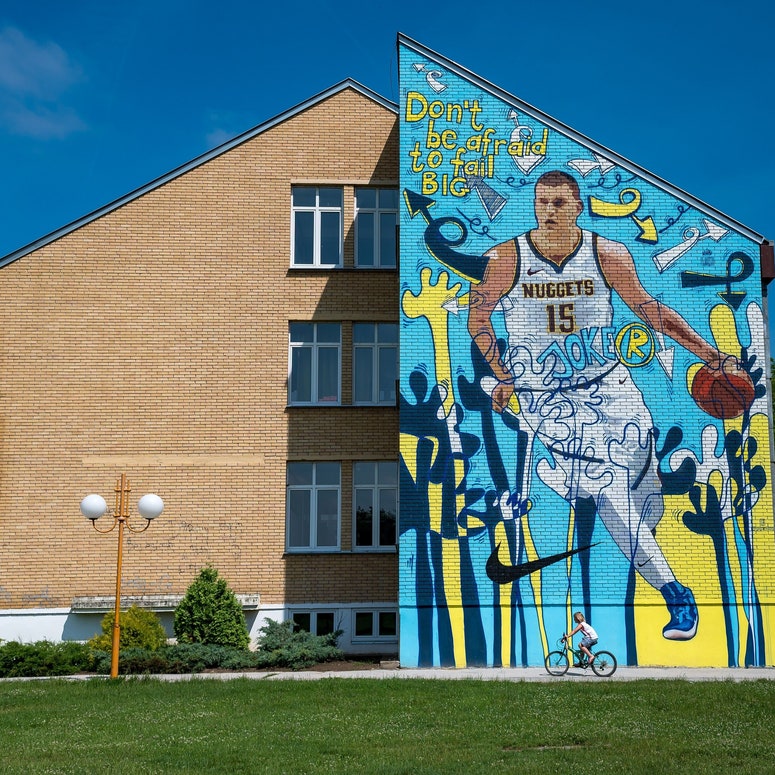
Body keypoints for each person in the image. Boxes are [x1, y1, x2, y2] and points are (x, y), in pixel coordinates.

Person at [467, 170, 744, 641]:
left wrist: (712, 356)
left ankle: (625, 520)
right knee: (609, 491)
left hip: (612, 391)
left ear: (578, 206)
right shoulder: (504, 259)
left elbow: (652, 311)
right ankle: (677, 594)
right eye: (541, 201)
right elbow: (478, 318)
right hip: (548, 401)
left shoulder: (607, 254)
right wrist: (504, 374)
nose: (547, 211)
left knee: (645, 503)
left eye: (558, 202)